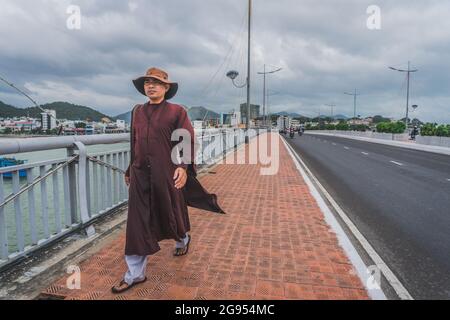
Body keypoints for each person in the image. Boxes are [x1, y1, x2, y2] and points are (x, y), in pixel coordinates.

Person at [111, 67, 225, 294]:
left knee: (171, 212)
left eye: (156, 82)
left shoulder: (176, 112)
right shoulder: (138, 112)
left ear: (165, 87)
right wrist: (129, 169)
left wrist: (183, 168)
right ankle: (135, 273)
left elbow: (187, 140)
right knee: (137, 223)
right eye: (147, 82)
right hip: (140, 174)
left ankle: (183, 240)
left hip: (167, 172)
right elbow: (135, 144)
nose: (150, 86)